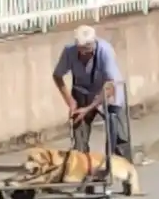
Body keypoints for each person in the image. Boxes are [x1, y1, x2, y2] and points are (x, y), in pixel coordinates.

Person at [52, 25, 132, 161]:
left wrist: (89, 108)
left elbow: (110, 86)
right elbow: (57, 76)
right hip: (82, 92)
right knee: (79, 137)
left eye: (89, 49)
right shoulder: (69, 52)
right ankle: (83, 170)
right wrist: (71, 102)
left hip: (108, 91)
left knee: (118, 134)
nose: (86, 53)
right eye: (83, 50)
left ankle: (122, 167)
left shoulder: (104, 51)